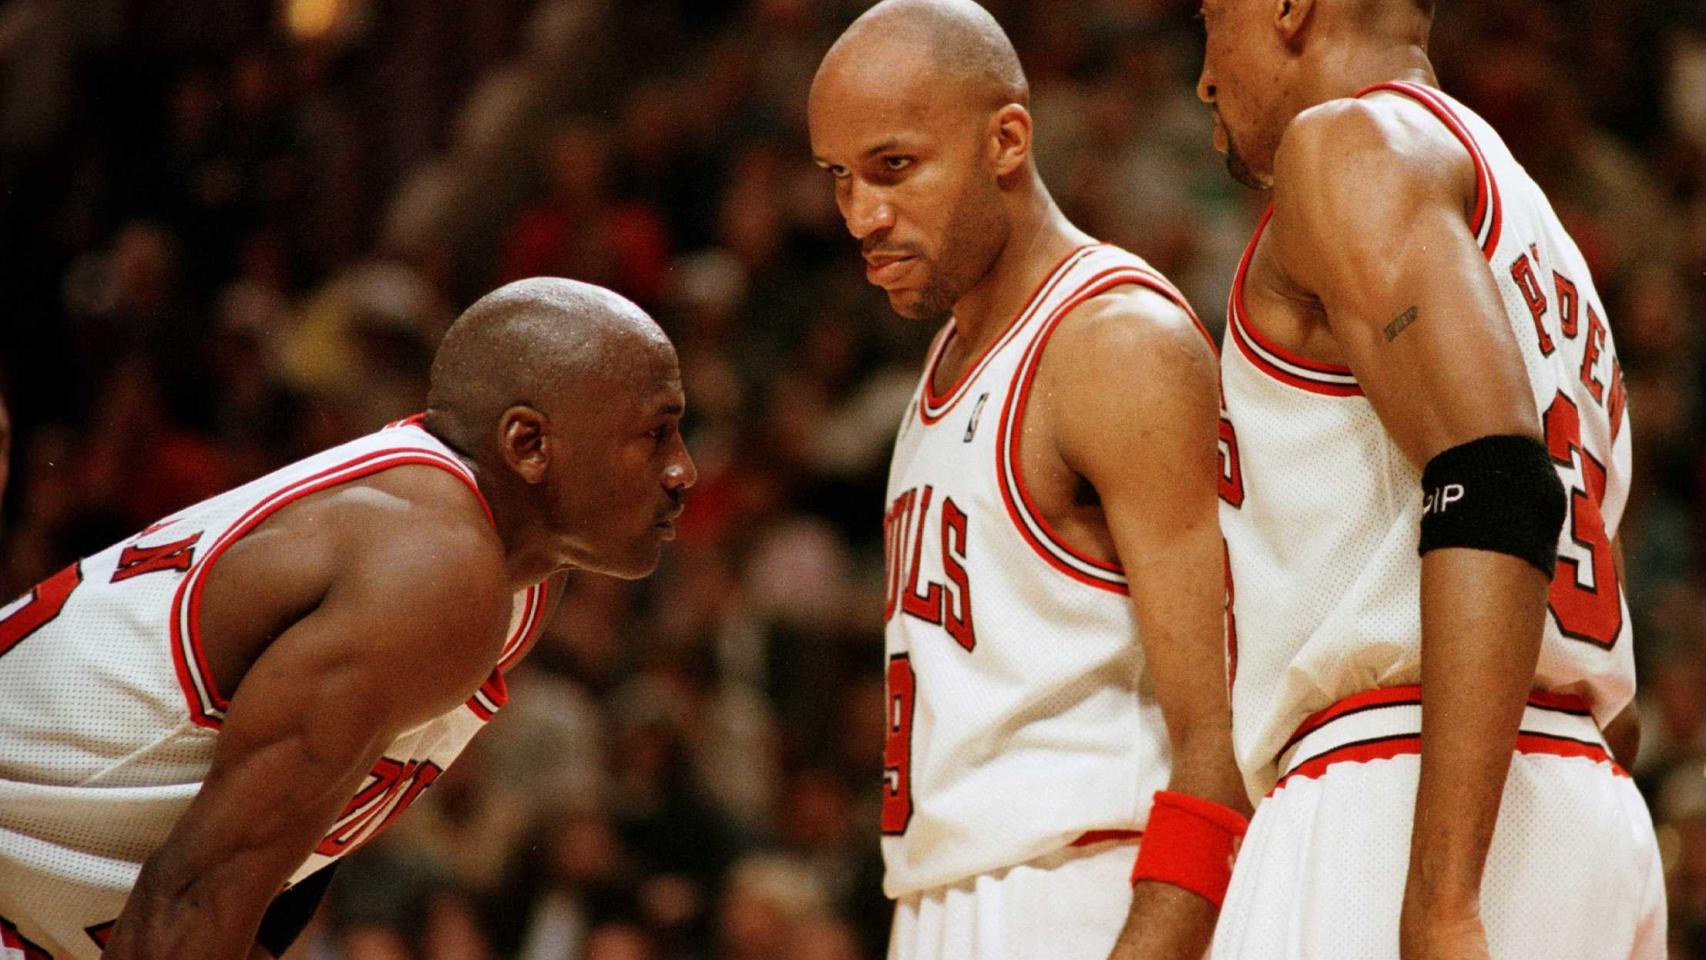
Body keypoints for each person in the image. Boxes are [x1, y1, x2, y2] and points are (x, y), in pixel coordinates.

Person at [0, 278, 696, 959]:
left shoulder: (519, 571)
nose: (683, 471)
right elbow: (194, 896)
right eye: (657, 434)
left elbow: (299, 845)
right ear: (528, 446)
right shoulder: (432, 569)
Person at [1195, 0, 1664, 956]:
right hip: (1578, 794)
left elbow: (1494, 481)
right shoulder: (1542, 232)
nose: (1202, 74)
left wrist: (1443, 903)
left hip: (1397, 795)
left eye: (1207, 18)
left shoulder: (1345, 146)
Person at [807, 2, 1250, 958]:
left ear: (1008, 137)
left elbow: (1224, 741)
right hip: (942, 893)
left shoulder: (1114, 344)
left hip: (1080, 888)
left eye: (893, 168)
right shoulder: (946, 361)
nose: (861, 215)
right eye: (838, 178)